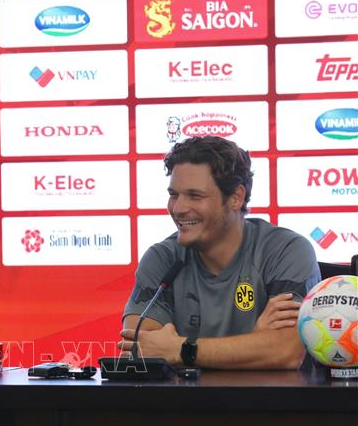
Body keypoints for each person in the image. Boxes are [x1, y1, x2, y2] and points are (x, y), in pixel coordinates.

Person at [120, 136, 320, 369]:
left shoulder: (285, 251)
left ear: (236, 197)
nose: (178, 208)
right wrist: (253, 344)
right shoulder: (162, 258)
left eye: (195, 196)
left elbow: (285, 351)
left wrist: (182, 350)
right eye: (174, 194)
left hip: (269, 395)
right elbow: (140, 351)